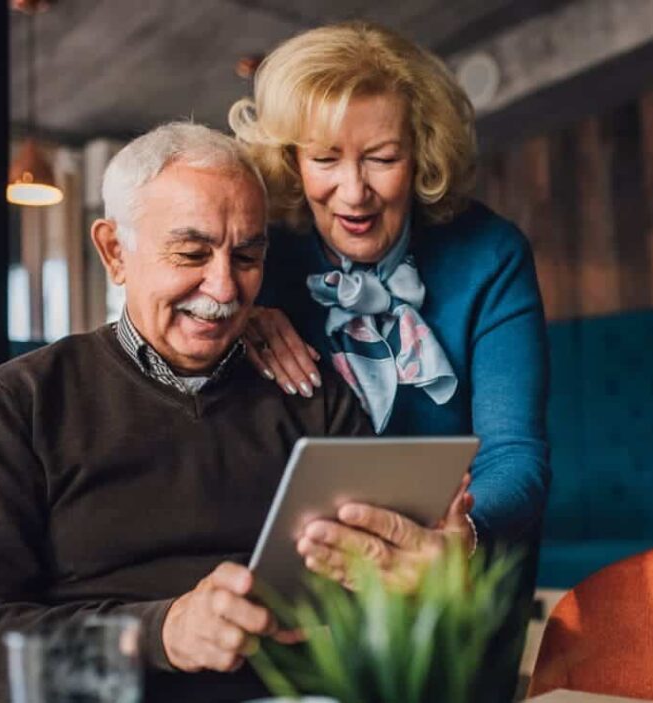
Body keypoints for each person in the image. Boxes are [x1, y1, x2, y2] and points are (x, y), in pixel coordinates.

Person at [0, 123, 393, 703]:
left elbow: (376, 612)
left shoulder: (313, 398)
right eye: (191, 252)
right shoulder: (21, 405)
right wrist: (157, 634)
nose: (223, 287)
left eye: (246, 257)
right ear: (115, 251)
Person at [228, 21, 550, 585]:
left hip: (455, 577)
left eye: (381, 158)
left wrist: (461, 544)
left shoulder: (489, 254)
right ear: (290, 159)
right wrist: (237, 317)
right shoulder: (259, 260)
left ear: (422, 153)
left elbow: (514, 452)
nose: (354, 192)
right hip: (307, 580)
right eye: (325, 159)